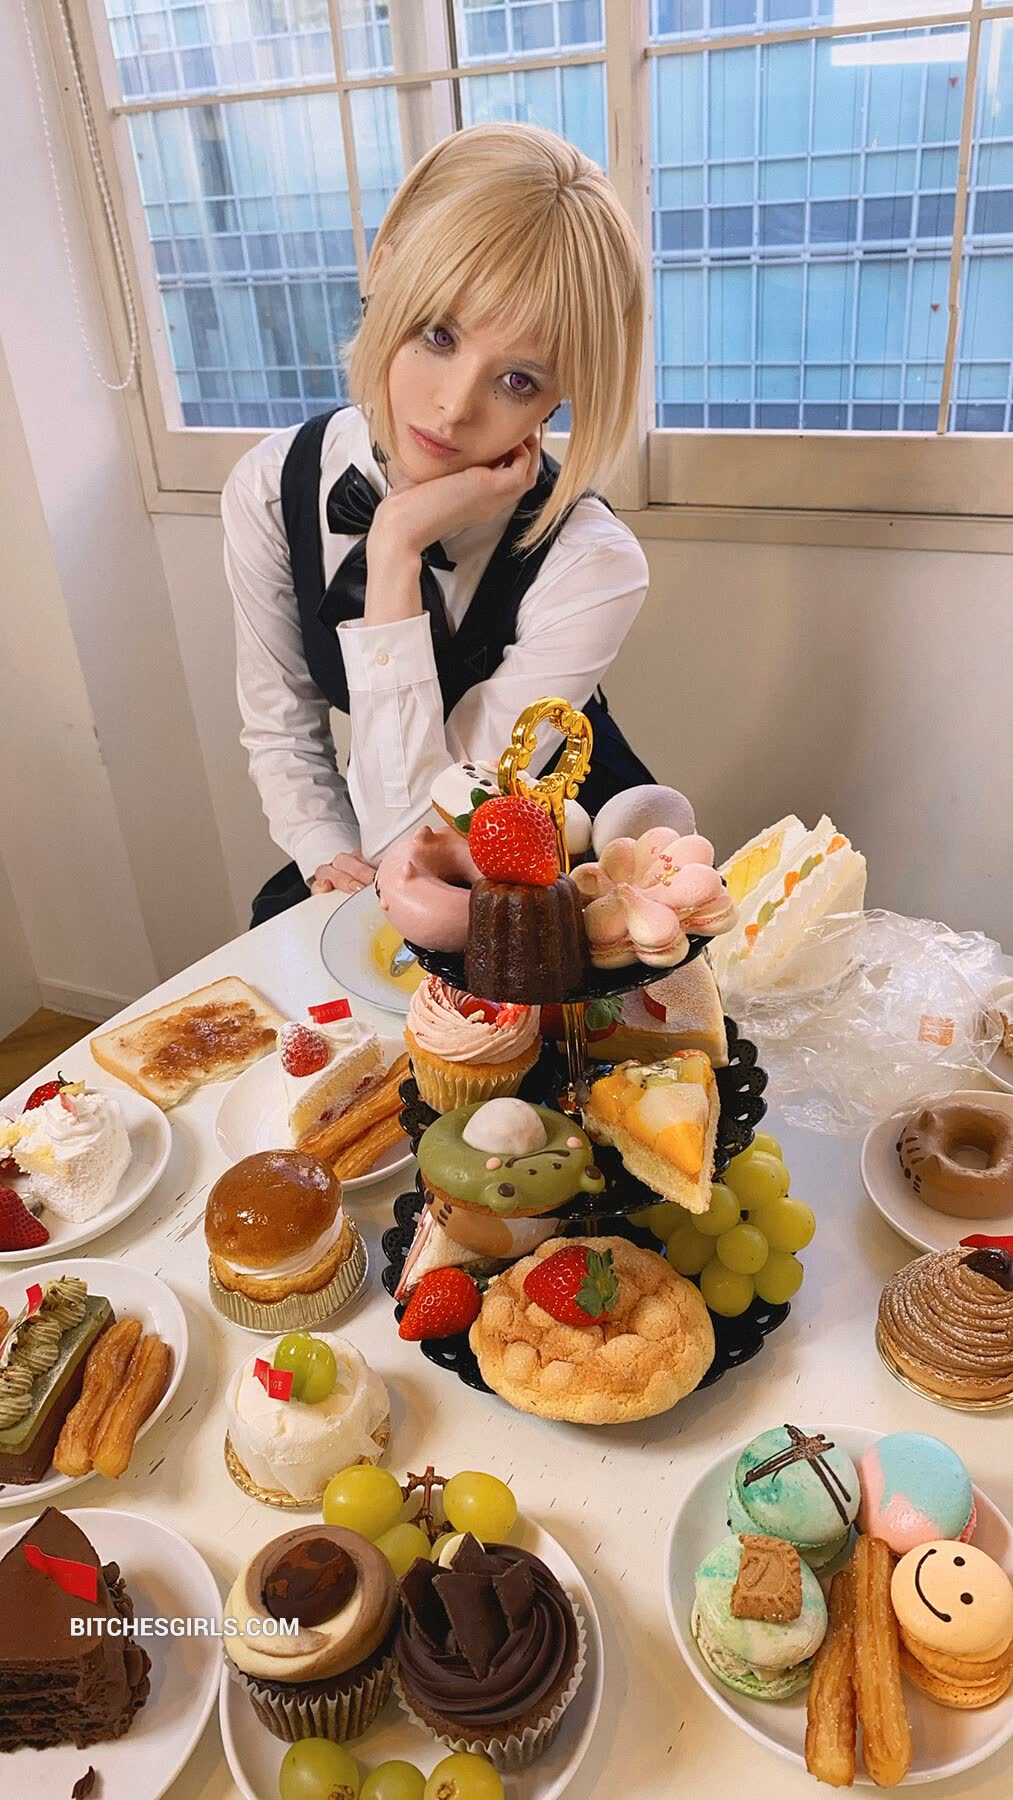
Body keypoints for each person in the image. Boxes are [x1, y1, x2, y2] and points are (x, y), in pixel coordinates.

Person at [222, 121, 654, 927]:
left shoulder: (592, 562)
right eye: (438, 334)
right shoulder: (272, 488)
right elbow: (281, 728)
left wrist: (394, 546)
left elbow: (418, 828)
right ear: (384, 272)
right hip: (370, 853)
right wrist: (324, 851)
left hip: (554, 870)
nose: (454, 407)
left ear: (560, 397)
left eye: (518, 380)